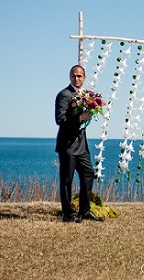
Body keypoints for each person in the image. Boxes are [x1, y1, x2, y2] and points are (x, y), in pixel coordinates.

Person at [55, 65, 104, 223]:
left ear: (84, 77)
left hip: (82, 145)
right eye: (74, 76)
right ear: (70, 77)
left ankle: (85, 211)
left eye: (80, 76)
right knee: (67, 180)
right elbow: (60, 119)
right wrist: (79, 118)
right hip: (67, 145)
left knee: (88, 174)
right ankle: (68, 214)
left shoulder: (86, 96)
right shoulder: (64, 95)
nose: (77, 79)